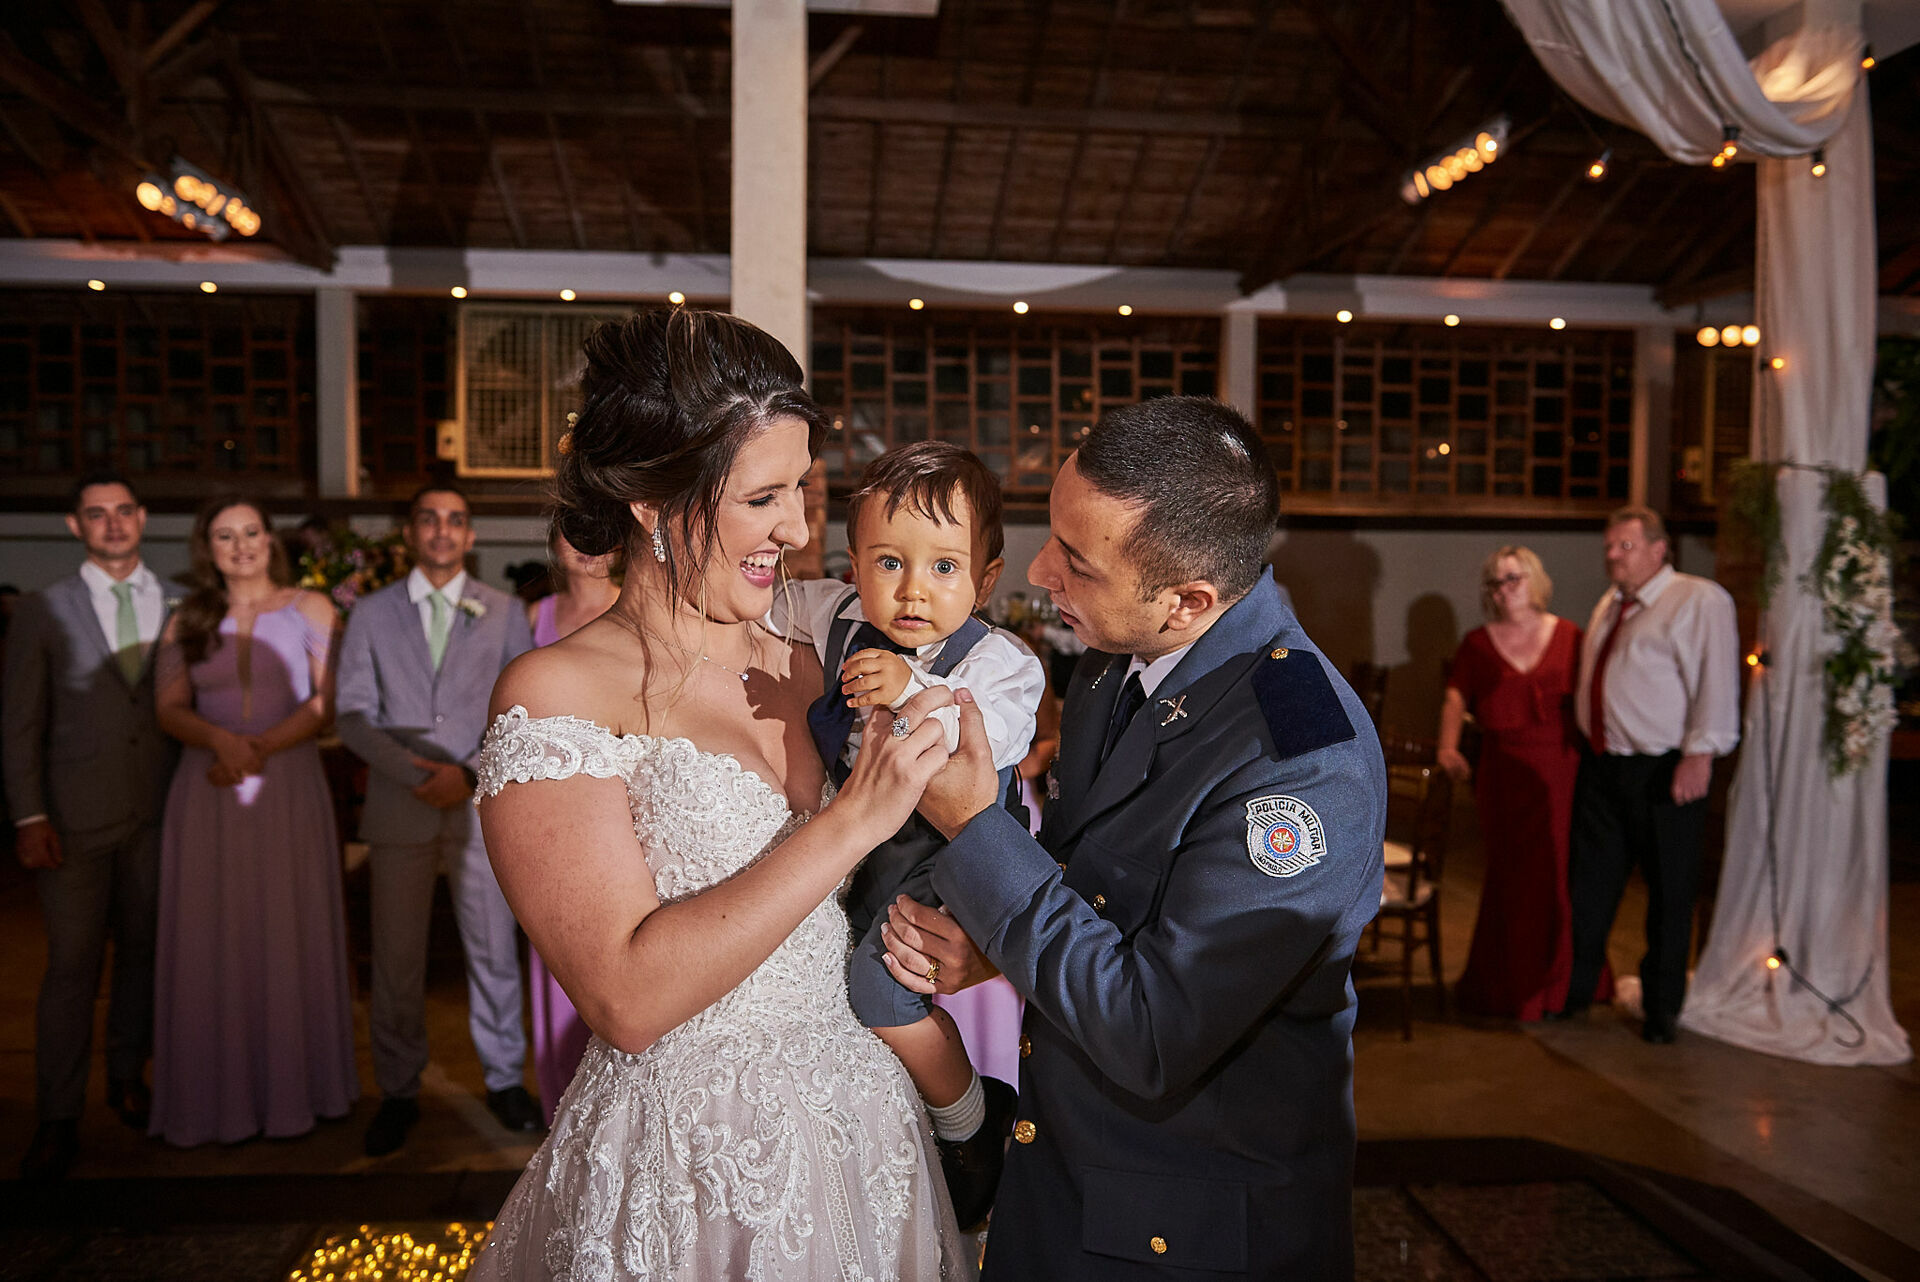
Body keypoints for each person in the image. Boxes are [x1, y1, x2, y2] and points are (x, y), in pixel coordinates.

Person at [467, 308, 967, 1280]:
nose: (798, 528)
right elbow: (625, 999)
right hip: (686, 1161)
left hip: (865, 1130)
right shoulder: (556, 693)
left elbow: (878, 898)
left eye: (802, 490)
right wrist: (852, 819)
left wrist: (963, 946)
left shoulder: (817, 666)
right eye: (762, 497)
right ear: (653, 503)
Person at [882, 397, 1388, 1280]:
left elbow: (1154, 1028)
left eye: (1076, 563)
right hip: (1067, 1175)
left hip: (1182, 1229)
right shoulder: (1116, 660)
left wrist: (971, 826)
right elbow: (1094, 884)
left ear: (1189, 601)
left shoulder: (1301, 759)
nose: (1039, 571)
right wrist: (994, 943)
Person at [768, 441, 1044, 1229]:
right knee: (827, 974)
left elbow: (979, 746)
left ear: (986, 579)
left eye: (945, 567)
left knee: (881, 985)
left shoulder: (1001, 662)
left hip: (951, 850)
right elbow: (761, 604)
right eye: (888, 562)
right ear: (853, 563)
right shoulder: (836, 616)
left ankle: (971, 1125)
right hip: (872, 841)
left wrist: (914, 686)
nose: (913, 589)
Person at [334, 483, 540, 1156]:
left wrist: (471, 772)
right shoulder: (370, 613)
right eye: (429, 519)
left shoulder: (505, 611)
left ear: (469, 536)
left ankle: (504, 1080)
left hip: (482, 807)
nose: (442, 530)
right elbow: (352, 714)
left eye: (455, 520)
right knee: (396, 959)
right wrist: (416, 772)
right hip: (401, 805)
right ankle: (398, 1089)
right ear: (411, 534)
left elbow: (522, 710)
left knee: (492, 949)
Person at [148, 496, 357, 1145]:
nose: (240, 546)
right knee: (210, 933)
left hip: (285, 787)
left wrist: (254, 749)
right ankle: (213, 1103)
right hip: (206, 792)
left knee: (286, 925)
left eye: (251, 532)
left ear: (270, 540)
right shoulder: (186, 616)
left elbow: (324, 704)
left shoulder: (313, 608)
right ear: (206, 549)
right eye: (224, 536)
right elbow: (168, 707)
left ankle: (298, 1092)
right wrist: (220, 742)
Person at [3, 473, 175, 1180]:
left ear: (142, 517)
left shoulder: (178, 601)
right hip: (71, 821)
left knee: (143, 955)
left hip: (157, 813)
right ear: (76, 526)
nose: (113, 523)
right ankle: (57, 1115)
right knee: (72, 967)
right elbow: (20, 722)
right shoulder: (43, 610)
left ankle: (128, 1077)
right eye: (96, 514)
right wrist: (29, 814)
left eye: (123, 511)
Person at [1553, 506, 1740, 1044]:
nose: (1612, 555)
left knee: (1669, 894)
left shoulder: (1697, 599)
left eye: (1625, 546)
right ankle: (1577, 990)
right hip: (1605, 766)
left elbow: (1716, 680)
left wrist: (1700, 754)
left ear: (1660, 549)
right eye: (1609, 546)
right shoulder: (1613, 601)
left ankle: (1662, 1010)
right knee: (1590, 887)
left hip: (1663, 767)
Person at [1439, 546, 1608, 1022]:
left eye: (1513, 578)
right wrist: (1448, 748)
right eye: (1495, 582)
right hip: (1502, 776)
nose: (1504, 589)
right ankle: (1508, 986)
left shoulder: (1571, 635)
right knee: (1509, 877)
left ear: (1535, 581)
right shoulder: (1477, 643)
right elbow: (1455, 698)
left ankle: (1560, 984)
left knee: (1557, 872)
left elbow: (1597, 697)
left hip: (1560, 770)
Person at [522, 527, 623, 1125]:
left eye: (599, 529)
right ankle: (559, 1110)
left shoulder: (637, 612)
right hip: (547, 816)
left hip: (616, 810)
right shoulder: (533, 618)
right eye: (574, 530)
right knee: (557, 952)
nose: (587, 544)